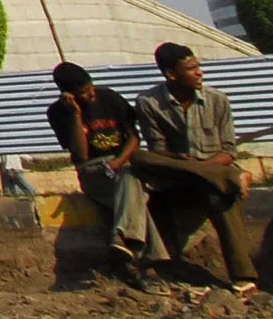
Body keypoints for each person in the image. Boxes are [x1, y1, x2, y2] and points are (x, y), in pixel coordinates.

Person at [131, 43, 251, 287]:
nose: (199, 73)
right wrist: (186, 165)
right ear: (171, 74)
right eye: (191, 68)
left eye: (198, 66)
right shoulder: (148, 102)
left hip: (213, 172)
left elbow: (229, 151)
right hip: (176, 172)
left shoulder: (218, 100)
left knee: (222, 196)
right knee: (137, 159)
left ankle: (244, 278)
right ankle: (158, 265)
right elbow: (157, 151)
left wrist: (204, 168)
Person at [50, 61, 152, 283]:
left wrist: (118, 162)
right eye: (84, 93)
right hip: (93, 171)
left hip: (123, 162)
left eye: (91, 87)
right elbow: (80, 156)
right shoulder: (58, 112)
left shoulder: (110, 98)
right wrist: (75, 115)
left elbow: (134, 136)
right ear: (70, 95)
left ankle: (123, 238)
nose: (92, 94)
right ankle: (155, 265)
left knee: (129, 178)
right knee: (135, 198)